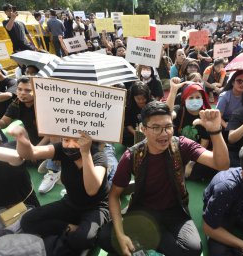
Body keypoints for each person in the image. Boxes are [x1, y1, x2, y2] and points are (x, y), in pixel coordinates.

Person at [97, 101, 229, 256]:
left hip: (175, 211)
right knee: (105, 236)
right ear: (143, 129)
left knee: (192, 250)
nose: (164, 133)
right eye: (156, 128)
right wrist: (120, 235)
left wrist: (215, 131)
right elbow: (113, 195)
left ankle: (142, 240)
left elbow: (222, 164)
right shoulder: (131, 156)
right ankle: (143, 237)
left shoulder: (181, 145)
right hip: (142, 212)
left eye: (168, 126)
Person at [10, 126, 110, 256]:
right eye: (66, 140)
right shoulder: (61, 149)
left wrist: (85, 153)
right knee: (28, 220)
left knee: (82, 240)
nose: (70, 145)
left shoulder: (98, 156)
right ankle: (71, 228)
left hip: (96, 207)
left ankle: (75, 236)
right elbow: (30, 153)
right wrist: (22, 139)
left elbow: (91, 190)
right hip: (71, 203)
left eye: (77, 140)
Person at [0, 76, 60, 194]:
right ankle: (46, 161)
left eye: (27, 90)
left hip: (49, 141)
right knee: (3, 151)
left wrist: (35, 151)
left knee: (57, 141)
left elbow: (51, 133)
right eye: (19, 89)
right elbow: (3, 124)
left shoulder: (45, 105)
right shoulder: (16, 104)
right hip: (32, 143)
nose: (22, 93)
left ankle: (53, 170)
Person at [167, 80, 216, 180]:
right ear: (185, 99)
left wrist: (191, 162)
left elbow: (204, 142)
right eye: (191, 97)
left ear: (203, 99)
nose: (195, 100)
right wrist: (173, 90)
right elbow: (167, 114)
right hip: (176, 151)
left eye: (198, 97)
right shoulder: (180, 110)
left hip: (195, 154)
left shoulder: (205, 116)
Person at [216, 70, 243, 137]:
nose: (242, 84)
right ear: (233, 82)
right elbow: (218, 116)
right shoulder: (224, 96)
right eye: (239, 81)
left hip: (242, 123)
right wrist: (228, 127)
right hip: (226, 123)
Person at [122, 82, 153, 147]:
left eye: (144, 98)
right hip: (134, 132)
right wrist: (135, 133)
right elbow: (127, 123)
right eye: (138, 99)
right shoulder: (129, 106)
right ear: (133, 97)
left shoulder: (152, 104)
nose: (141, 101)